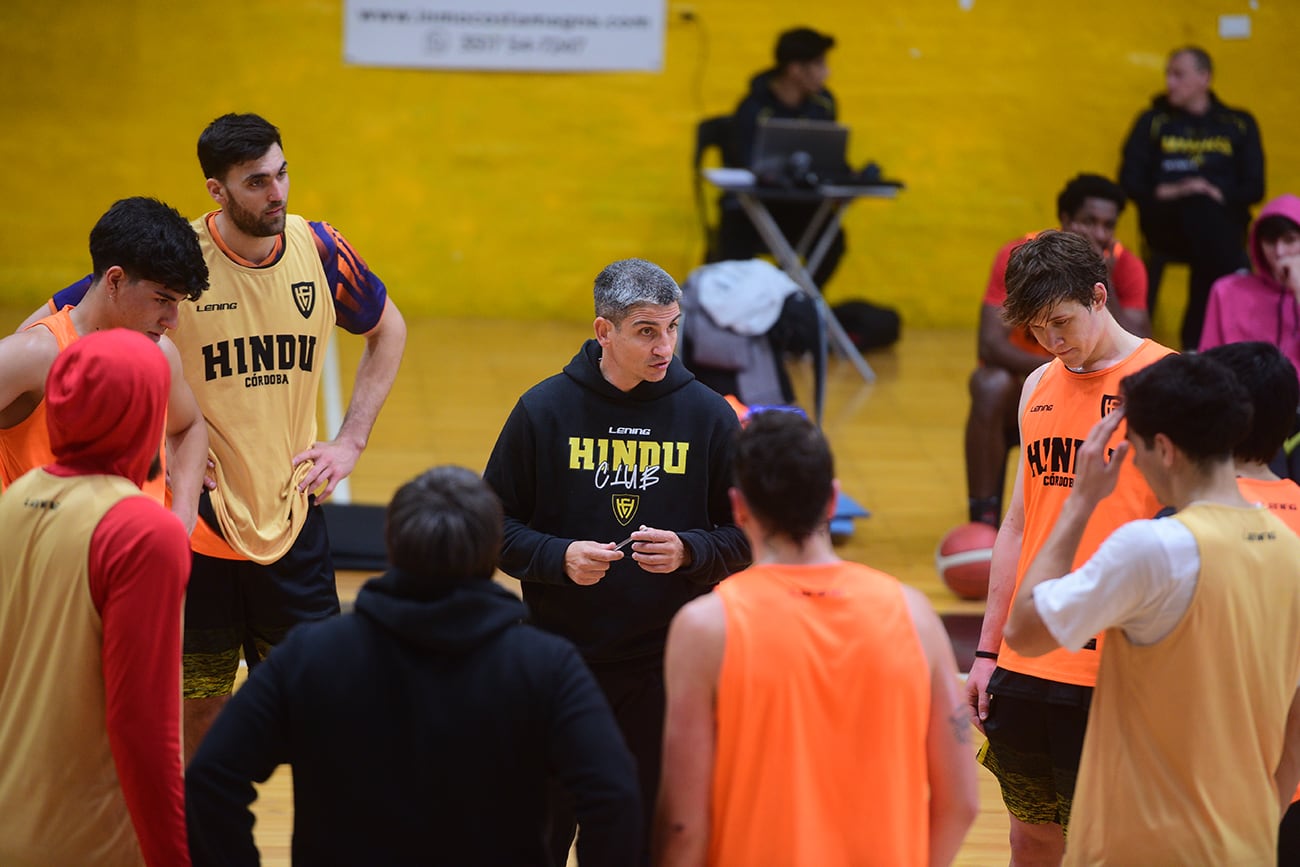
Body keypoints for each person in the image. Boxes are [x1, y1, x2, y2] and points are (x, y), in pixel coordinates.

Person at [29, 113, 408, 762]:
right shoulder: (176, 262)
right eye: (256, 181)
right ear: (217, 190)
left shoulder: (318, 249)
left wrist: (351, 441)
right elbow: (58, 327)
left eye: (282, 173)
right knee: (195, 711)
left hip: (291, 519)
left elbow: (388, 329)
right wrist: (141, 448)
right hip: (197, 530)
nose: (277, 191)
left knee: (317, 712)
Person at [186, 466, 642, 866]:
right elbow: (614, 797)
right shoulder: (546, 667)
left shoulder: (312, 656)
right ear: (491, 555)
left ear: (391, 545)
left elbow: (212, 779)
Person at [482, 257, 750, 865]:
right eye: (647, 331)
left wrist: (692, 550)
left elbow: (750, 538)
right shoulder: (543, 411)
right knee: (538, 839)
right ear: (605, 332)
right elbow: (489, 526)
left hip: (664, 670)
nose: (666, 347)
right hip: (559, 664)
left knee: (630, 845)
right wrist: (555, 556)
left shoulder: (709, 416)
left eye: (673, 327)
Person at [1004, 353, 1300, 864]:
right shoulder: (1288, 548)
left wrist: (1079, 502)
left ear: (1163, 449)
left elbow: (1025, 629)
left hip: (1144, 844)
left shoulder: (1153, 550)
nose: (1132, 463)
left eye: (1135, 448)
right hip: (1243, 844)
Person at [654, 410, 978, 866]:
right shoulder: (914, 615)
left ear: (739, 507)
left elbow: (683, 825)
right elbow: (962, 803)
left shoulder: (706, 627)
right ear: (833, 500)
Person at [965, 230, 1173, 865]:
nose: (1051, 342)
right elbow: (1017, 528)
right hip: (1031, 659)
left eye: (1060, 322)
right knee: (1030, 838)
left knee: (1112, 844)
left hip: (1122, 665)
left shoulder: (1167, 382)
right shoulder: (1036, 387)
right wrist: (986, 650)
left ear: (1099, 296)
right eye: (1036, 328)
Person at [0, 329, 192, 866]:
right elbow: (142, 726)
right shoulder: (144, 533)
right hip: (89, 841)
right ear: (146, 414)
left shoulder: (16, 501)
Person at [0, 197, 210, 533]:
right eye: (162, 300)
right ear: (114, 281)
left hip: (137, 570)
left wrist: (181, 522)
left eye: (179, 304)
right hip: (49, 577)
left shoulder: (161, 355)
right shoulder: (36, 354)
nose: (173, 321)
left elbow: (190, 427)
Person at [966, 173, 1150, 526]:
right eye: (1088, 221)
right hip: (1032, 387)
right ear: (1064, 221)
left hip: (1101, 390)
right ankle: (983, 517)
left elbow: (1142, 343)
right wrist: (1059, 368)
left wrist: (1103, 279)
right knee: (989, 384)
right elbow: (989, 343)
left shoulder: (1125, 266)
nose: (1099, 234)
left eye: (1108, 225)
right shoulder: (1021, 257)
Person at [1119, 45, 1265, 350]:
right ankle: (1198, 340)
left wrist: (1215, 192)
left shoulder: (1238, 123)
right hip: (1167, 228)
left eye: (1178, 74)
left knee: (1208, 220)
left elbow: (1255, 188)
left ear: (1204, 77)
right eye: (1168, 75)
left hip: (1220, 226)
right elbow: (1130, 182)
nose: (1169, 82)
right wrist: (1182, 189)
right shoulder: (1153, 121)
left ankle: (1194, 344)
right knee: (1206, 220)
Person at [715, 26, 844, 290]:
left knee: (832, 240)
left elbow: (827, 156)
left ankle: (788, 297)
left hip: (801, 206)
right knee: (733, 241)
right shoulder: (753, 107)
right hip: (756, 207)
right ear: (795, 70)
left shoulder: (824, 104)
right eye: (819, 64)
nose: (826, 72)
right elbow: (746, 161)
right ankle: (744, 308)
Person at [1200, 194, 1300, 384]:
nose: (1279, 252)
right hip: (1242, 403)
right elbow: (1208, 363)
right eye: (1270, 242)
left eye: (1290, 240)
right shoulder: (1228, 290)